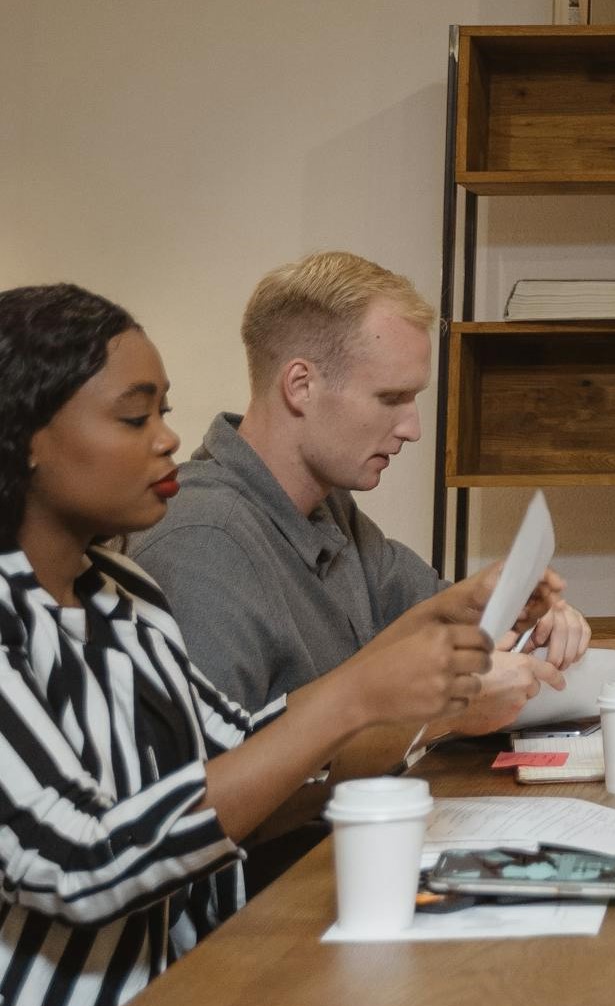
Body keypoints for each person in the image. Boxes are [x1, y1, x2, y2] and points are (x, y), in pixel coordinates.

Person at [0, 283, 546, 1006]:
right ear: (30, 439)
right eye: (133, 417)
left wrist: (424, 634)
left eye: (164, 412)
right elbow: (83, 860)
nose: (169, 439)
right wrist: (362, 698)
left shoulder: (123, 593)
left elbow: (236, 749)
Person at [129, 252, 589, 885]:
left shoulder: (327, 508)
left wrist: (520, 616)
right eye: (391, 398)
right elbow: (207, 815)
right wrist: (443, 715)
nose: (414, 428)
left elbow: (440, 634)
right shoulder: (202, 543)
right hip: (262, 920)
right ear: (300, 386)